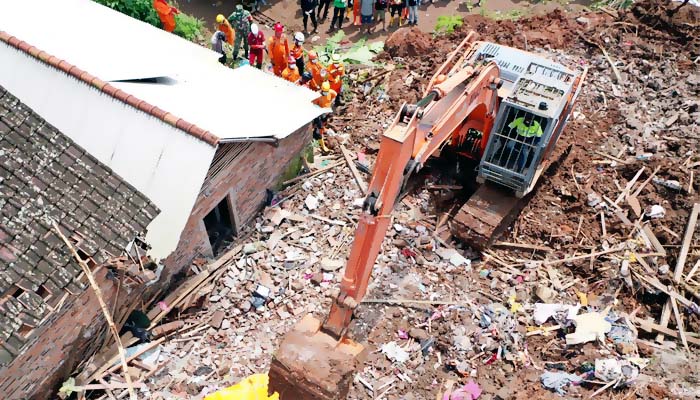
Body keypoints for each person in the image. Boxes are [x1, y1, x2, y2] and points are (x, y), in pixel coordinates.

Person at [313, 81, 337, 153]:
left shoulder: (331, 92)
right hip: (319, 113)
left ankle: (322, 131)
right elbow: (314, 106)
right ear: (321, 90)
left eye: (327, 92)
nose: (326, 93)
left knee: (324, 123)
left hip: (326, 112)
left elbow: (335, 95)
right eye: (324, 92)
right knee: (319, 127)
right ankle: (322, 144)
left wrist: (332, 102)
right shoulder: (317, 96)